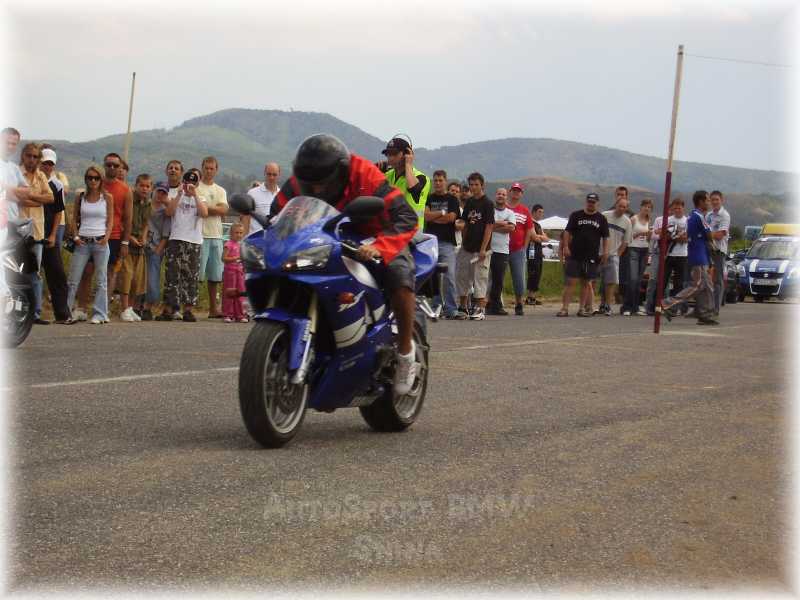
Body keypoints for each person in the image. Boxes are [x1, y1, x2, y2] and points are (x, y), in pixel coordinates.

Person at [269, 134, 419, 395]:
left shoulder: (366, 175)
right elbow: (276, 215)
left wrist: (380, 247)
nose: (316, 190)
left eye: (322, 184)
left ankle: (406, 353)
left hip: (375, 234)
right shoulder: (302, 179)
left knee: (399, 276)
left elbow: (406, 216)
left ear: (339, 172)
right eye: (311, 185)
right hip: (330, 237)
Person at [66, 166, 114, 324]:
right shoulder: (80, 197)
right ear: (86, 179)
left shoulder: (107, 198)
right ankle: (66, 312)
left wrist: (106, 237)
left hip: (100, 241)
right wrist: (75, 236)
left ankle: (100, 313)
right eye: (90, 177)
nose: (93, 180)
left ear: (101, 179)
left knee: (101, 280)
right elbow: (74, 218)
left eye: (96, 178)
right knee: (73, 279)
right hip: (83, 242)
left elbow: (110, 220)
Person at [662, 191, 717, 325]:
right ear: (701, 202)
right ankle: (669, 303)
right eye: (707, 200)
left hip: (698, 255)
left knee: (707, 286)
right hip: (699, 257)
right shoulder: (698, 216)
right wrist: (711, 242)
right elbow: (709, 235)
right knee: (697, 286)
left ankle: (704, 314)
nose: (709, 203)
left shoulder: (692, 216)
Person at [160, 168, 208, 322]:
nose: (190, 185)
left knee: (191, 276)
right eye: (188, 182)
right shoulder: (175, 196)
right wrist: (180, 194)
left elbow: (204, 213)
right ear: (183, 181)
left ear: (197, 183)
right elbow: (169, 212)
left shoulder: (201, 198)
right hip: (176, 239)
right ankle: (169, 309)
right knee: (172, 275)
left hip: (194, 241)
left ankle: (188, 310)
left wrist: (195, 195)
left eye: (193, 182)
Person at [18, 143, 54, 324]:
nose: (31, 159)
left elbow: (50, 198)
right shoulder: (16, 174)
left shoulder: (41, 176)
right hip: (18, 231)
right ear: (23, 156)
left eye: (35, 156)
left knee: (35, 273)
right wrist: (38, 200)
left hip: (37, 232)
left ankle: (36, 313)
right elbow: (17, 198)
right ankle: (19, 311)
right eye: (29, 155)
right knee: (17, 272)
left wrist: (30, 197)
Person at [557, 193, 609, 317]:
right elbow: (567, 231)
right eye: (589, 201)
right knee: (570, 281)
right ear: (586, 202)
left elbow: (606, 237)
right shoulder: (576, 215)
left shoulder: (601, 218)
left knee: (586, 283)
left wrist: (605, 252)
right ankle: (564, 308)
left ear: (597, 203)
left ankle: (581, 309)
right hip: (575, 254)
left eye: (593, 202)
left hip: (591, 256)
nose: (591, 204)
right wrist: (565, 247)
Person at [454, 172, 494, 321]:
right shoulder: (470, 202)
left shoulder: (488, 203)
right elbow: (464, 223)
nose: (473, 187)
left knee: (480, 277)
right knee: (463, 276)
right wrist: (463, 241)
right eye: (471, 184)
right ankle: (463, 307)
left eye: (476, 184)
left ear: (482, 185)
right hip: (467, 246)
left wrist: (483, 248)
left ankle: (479, 308)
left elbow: (489, 226)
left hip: (481, 248)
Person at [39, 149, 72, 324]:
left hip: (48, 235)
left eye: (50, 163)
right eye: (45, 163)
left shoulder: (57, 185)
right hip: (31, 234)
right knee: (31, 275)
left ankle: (62, 314)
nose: (47, 166)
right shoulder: (31, 181)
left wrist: (53, 235)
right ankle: (31, 313)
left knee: (57, 274)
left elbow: (59, 212)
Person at [423, 170, 459, 318]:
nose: (437, 183)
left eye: (440, 180)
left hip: (447, 243)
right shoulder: (429, 198)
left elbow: (451, 218)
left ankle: (451, 309)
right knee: (433, 276)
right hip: (431, 242)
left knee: (449, 276)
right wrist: (442, 213)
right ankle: (435, 307)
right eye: (435, 180)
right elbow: (426, 216)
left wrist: (435, 217)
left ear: (445, 181)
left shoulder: (452, 199)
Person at [197, 156, 229, 319]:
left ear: (216, 170)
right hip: (199, 235)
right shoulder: (196, 188)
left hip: (216, 235)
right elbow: (199, 209)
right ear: (202, 168)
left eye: (212, 168)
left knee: (215, 276)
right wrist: (213, 208)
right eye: (206, 168)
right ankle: (189, 306)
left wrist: (205, 207)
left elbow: (224, 210)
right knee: (197, 274)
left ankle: (213, 308)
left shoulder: (220, 190)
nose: (209, 171)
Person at [119, 174, 152, 322]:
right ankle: (124, 308)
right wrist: (129, 237)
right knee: (127, 276)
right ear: (136, 186)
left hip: (139, 245)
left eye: (147, 186)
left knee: (136, 280)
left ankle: (131, 308)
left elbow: (146, 223)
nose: (144, 189)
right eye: (142, 185)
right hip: (126, 241)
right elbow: (121, 221)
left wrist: (143, 237)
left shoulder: (148, 203)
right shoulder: (129, 199)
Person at [382, 137, 430, 231]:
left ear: (407, 154)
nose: (390, 157)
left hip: (412, 231)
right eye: (388, 154)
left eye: (394, 154)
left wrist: (408, 164)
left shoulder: (422, 178)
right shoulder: (387, 175)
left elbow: (413, 188)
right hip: (391, 229)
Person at [142, 181, 172, 321]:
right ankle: (137, 306)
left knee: (152, 280)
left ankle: (148, 307)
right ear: (153, 190)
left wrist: (158, 251)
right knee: (139, 278)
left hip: (155, 249)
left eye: (164, 193)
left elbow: (166, 235)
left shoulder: (166, 212)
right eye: (159, 191)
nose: (160, 195)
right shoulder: (145, 206)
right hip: (140, 246)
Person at [598, 195, 632, 315]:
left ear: (626, 208)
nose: (621, 208)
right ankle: (594, 305)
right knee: (595, 280)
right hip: (598, 252)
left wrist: (618, 254)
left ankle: (607, 305)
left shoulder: (627, 222)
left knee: (610, 281)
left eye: (624, 207)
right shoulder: (604, 215)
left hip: (613, 254)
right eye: (620, 206)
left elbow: (626, 241)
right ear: (615, 205)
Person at [486, 188, 516, 316]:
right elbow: (486, 225)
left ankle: (495, 305)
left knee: (498, 280)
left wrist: (492, 226)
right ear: (495, 195)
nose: (501, 196)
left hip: (502, 250)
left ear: (506, 197)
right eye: (499, 194)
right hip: (487, 248)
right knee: (483, 279)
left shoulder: (510, 213)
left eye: (503, 194)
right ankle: (481, 304)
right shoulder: (489, 211)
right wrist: (501, 223)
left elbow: (511, 228)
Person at [506, 182, 533, 316]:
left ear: (521, 194)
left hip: (518, 249)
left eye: (518, 191)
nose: (516, 193)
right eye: (514, 190)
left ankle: (519, 303)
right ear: (509, 192)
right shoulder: (502, 208)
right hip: (502, 248)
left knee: (519, 277)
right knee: (495, 276)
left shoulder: (525, 210)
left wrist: (524, 247)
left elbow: (529, 230)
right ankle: (493, 302)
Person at [622, 198, 653, 316]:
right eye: (645, 206)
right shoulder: (634, 219)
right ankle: (626, 306)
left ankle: (635, 306)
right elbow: (627, 236)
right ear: (641, 207)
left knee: (639, 280)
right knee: (632, 279)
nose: (647, 209)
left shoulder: (648, 220)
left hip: (644, 250)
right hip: (633, 249)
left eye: (649, 207)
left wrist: (649, 235)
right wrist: (640, 233)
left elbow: (648, 239)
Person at [706, 190, 730, 316]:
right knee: (705, 279)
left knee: (717, 280)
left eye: (717, 199)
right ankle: (704, 307)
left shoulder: (725, 215)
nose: (714, 202)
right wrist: (708, 234)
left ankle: (715, 309)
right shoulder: (708, 215)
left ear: (721, 200)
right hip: (707, 250)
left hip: (719, 251)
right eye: (712, 200)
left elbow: (720, 235)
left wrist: (706, 234)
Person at [243, 163, 280, 235]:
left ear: (279, 175)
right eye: (269, 174)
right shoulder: (252, 193)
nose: (271, 177)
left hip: (275, 239)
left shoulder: (282, 195)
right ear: (264, 173)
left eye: (274, 175)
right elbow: (246, 218)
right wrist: (244, 238)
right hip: (256, 239)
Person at [222, 222, 247, 323]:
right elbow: (224, 258)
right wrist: (236, 258)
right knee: (230, 292)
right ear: (231, 233)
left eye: (241, 233)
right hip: (230, 271)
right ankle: (228, 314)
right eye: (236, 232)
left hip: (240, 271)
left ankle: (240, 315)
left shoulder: (242, 245)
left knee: (240, 292)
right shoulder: (228, 244)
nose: (239, 235)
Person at [526, 204, 548, 307]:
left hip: (538, 250)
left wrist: (539, 237)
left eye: (542, 212)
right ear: (533, 212)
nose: (541, 214)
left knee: (538, 272)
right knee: (533, 272)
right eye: (539, 212)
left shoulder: (538, 225)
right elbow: (533, 237)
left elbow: (546, 238)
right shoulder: (530, 222)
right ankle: (529, 297)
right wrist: (539, 237)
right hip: (531, 250)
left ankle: (533, 296)